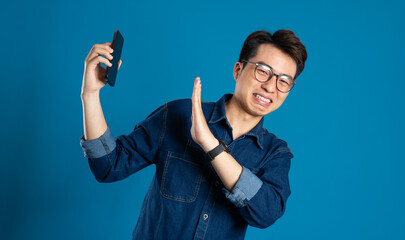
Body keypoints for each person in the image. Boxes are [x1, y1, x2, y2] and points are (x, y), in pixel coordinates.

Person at [80, 29, 307, 239]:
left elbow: (266, 213)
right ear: (238, 70)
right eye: (263, 71)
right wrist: (89, 94)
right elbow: (108, 166)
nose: (270, 87)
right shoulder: (179, 114)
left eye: (284, 81)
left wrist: (209, 143)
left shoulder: (275, 153)